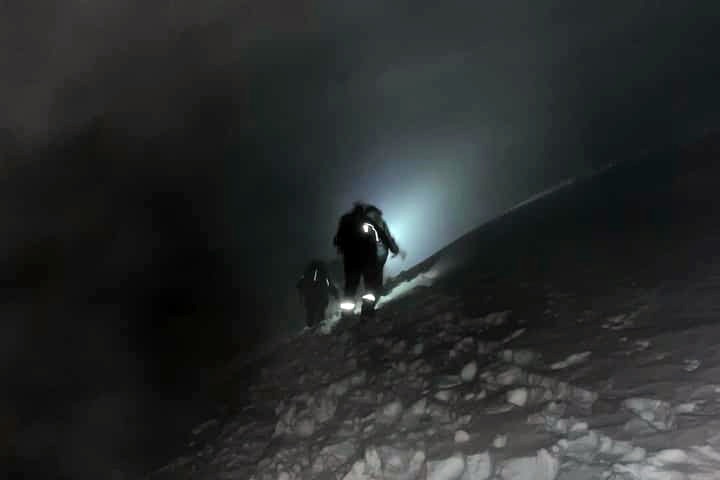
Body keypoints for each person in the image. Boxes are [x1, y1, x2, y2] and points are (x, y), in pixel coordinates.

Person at [333, 202, 406, 317]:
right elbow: (383, 235)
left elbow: (336, 240)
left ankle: (346, 314)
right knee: (370, 286)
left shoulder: (345, 220)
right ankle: (367, 311)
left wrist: (344, 249)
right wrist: (394, 249)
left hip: (350, 260)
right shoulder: (367, 220)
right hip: (368, 258)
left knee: (350, 287)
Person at [296, 259, 339, 327]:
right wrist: (336, 295)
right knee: (320, 313)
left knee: (310, 313)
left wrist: (301, 296)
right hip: (321, 297)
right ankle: (319, 328)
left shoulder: (307, 273)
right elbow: (330, 285)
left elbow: (300, 285)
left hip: (309, 298)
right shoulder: (323, 273)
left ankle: (310, 328)